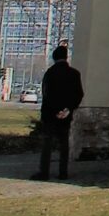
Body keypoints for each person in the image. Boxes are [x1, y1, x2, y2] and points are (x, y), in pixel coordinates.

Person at [35, 43, 84, 181]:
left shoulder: (50, 73)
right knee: (64, 144)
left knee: (47, 144)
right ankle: (63, 172)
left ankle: (44, 173)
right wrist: (67, 109)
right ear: (66, 58)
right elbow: (79, 94)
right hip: (66, 114)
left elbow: (46, 94)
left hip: (50, 114)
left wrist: (54, 111)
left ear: (54, 58)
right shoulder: (74, 74)